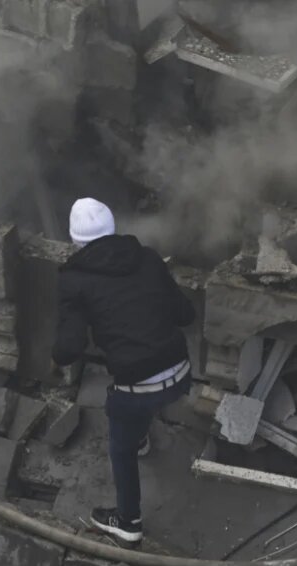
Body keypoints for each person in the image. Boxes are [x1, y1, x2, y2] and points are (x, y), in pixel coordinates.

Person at [53, 197, 195, 545]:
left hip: (138, 388)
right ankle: (143, 439)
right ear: (113, 227)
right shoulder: (147, 258)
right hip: (180, 371)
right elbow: (185, 315)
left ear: (75, 240)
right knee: (141, 399)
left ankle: (128, 523)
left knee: (121, 445)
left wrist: (59, 349)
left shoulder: (74, 281)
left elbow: (68, 349)